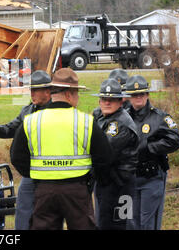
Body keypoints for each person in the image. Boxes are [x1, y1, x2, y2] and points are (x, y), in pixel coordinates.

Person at [11, 68, 113, 230]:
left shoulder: (31, 121)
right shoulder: (85, 121)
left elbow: (17, 157)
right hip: (77, 190)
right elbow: (105, 158)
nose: (78, 98)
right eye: (77, 93)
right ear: (68, 94)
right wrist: (90, 181)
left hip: (44, 190)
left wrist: (36, 176)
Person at [0, 70, 52, 230]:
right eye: (31, 89)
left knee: (48, 217)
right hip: (31, 173)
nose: (32, 93)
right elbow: (8, 130)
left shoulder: (57, 112)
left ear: (48, 91)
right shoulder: (27, 111)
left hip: (52, 174)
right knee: (22, 213)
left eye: (36, 90)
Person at [125, 75, 179, 230]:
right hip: (129, 178)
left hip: (152, 177)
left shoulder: (159, 117)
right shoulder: (123, 117)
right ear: (129, 97)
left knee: (148, 223)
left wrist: (150, 147)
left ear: (147, 95)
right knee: (130, 222)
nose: (138, 97)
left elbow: (175, 140)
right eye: (134, 94)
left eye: (141, 94)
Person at [92, 78, 139, 230]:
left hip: (120, 184)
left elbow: (104, 151)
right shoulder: (101, 116)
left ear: (120, 101)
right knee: (105, 222)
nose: (107, 102)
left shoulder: (120, 123)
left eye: (111, 99)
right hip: (107, 182)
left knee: (118, 224)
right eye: (104, 99)